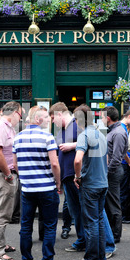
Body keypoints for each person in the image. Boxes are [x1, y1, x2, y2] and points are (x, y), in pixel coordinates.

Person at [13, 106, 62, 260]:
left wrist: (26, 178)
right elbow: (54, 164)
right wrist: (58, 182)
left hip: (27, 189)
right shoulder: (47, 137)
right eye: (47, 119)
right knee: (49, 225)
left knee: (26, 225)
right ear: (39, 120)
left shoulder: (18, 138)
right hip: (47, 188)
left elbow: (15, 164)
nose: (49, 121)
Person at [71, 104, 108, 260]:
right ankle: (100, 258)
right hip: (102, 183)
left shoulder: (83, 135)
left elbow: (78, 160)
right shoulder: (101, 134)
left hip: (90, 184)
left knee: (91, 223)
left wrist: (78, 177)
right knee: (99, 221)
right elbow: (106, 160)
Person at [0, 101, 22, 260]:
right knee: (2, 215)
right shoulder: (1, 127)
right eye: (20, 115)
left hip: (5, 174)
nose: (20, 119)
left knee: (2, 212)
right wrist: (9, 175)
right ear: (15, 112)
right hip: (2, 175)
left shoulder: (8, 128)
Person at [49, 102, 85, 251]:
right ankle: (82, 239)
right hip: (67, 176)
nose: (52, 122)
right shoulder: (63, 129)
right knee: (75, 210)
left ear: (59, 114)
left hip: (74, 176)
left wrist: (73, 145)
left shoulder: (77, 126)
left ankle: (84, 240)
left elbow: (94, 141)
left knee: (79, 210)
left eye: (52, 118)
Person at [101, 106, 128, 243]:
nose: (100, 119)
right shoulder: (114, 131)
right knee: (109, 203)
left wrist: (107, 173)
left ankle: (115, 236)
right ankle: (111, 232)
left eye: (102, 117)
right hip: (111, 172)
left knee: (113, 204)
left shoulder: (117, 132)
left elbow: (117, 158)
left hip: (113, 172)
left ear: (108, 118)